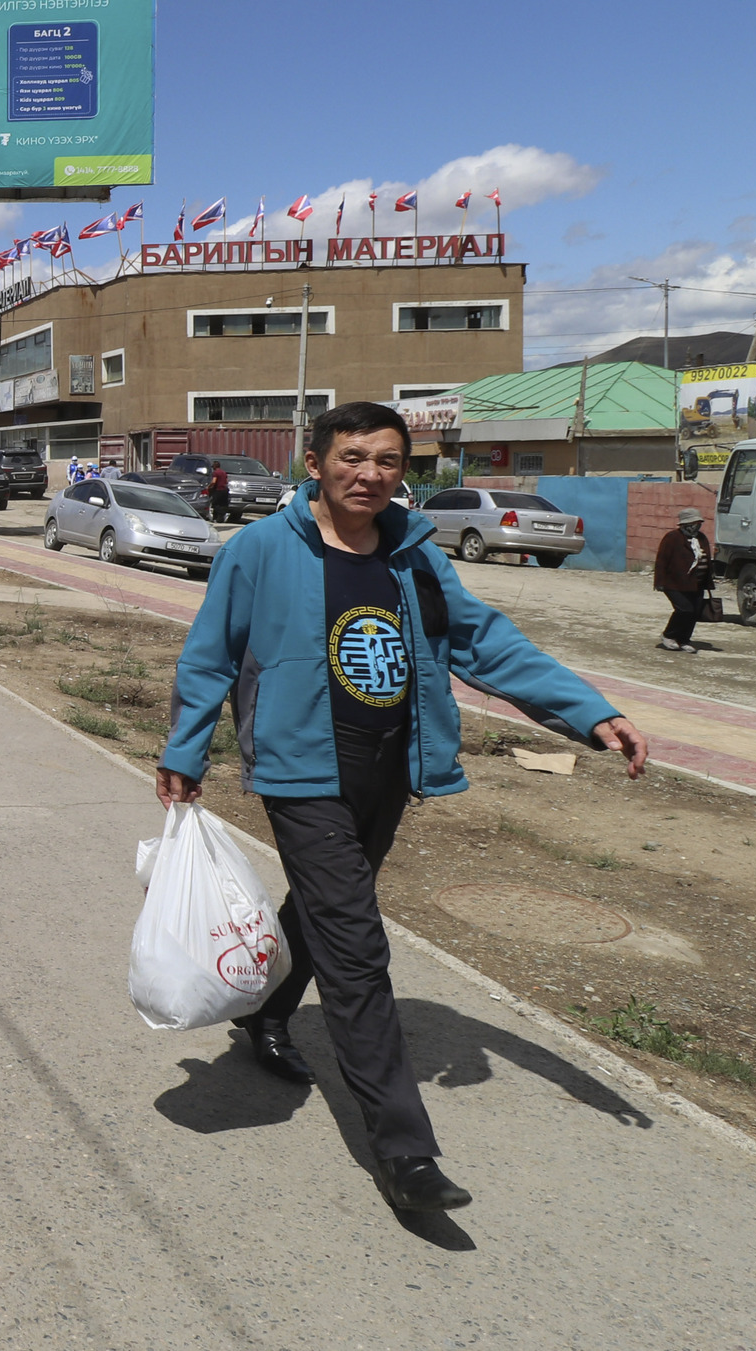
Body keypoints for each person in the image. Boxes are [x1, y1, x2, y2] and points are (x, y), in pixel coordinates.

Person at [159, 401, 648, 1214]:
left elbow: (484, 641)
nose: (371, 473)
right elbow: (210, 655)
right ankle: (404, 1150)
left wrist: (589, 711)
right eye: (352, 456)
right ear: (312, 464)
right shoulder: (259, 551)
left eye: (388, 460)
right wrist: (183, 751)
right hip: (299, 769)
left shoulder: (415, 555)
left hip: (388, 767)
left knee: (324, 911)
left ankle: (265, 1013)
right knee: (357, 946)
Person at [653, 506, 716, 654]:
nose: (697, 526)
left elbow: (706, 559)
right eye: (694, 523)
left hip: (697, 584)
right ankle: (668, 635)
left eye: (699, 523)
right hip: (674, 583)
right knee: (684, 609)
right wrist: (659, 582)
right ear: (685, 524)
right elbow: (662, 560)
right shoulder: (672, 538)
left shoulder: (701, 538)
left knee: (694, 612)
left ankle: (684, 639)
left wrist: (709, 579)